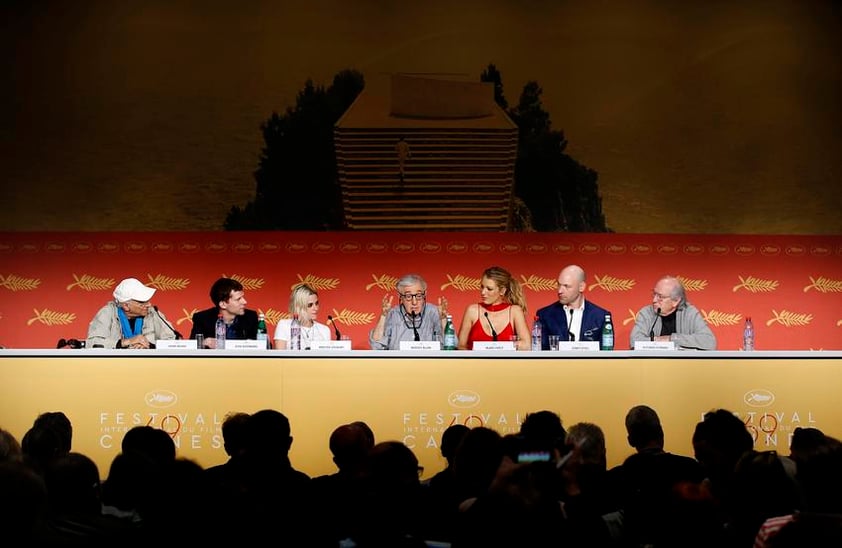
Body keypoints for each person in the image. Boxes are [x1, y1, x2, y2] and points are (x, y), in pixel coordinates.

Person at [629, 275, 717, 350]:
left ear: (676, 301)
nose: (654, 300)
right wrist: (659, 341)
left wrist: (671, 339)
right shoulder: (646, 313)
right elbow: (634, 341)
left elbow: (709, 341)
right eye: (654, 294)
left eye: (660, 297)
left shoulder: (689, 313)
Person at [86, 277, 177, 349]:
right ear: (126, 306)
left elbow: (172, 341)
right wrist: (127, 342)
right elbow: (92, 343)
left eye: (148, 301)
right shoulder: (107, 313)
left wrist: (150, 346)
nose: (149, 305)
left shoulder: (153, 313)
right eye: (142, 302)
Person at [535, 264, 611, 349]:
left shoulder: (601, 316)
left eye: (566, 286)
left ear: (581, 287)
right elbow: (541, 351)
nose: (560, 291)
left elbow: (606, 352)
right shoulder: (545, 315)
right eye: (559, 285)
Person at [457, 266, 531, 350]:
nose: (483, 292)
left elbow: (526, 345)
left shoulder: (515, 311)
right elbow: (460, 346)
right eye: (482, 287)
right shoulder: (472, 310)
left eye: (489, 289)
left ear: (502, 291)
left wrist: (498, 347)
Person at [369, 273, 449, 350]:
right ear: (400, 296)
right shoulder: (392, 314)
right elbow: (376, 346)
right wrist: (383, 316)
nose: (414, 302)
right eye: (408, 296)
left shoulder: (435, 313)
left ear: (425, 294)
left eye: (418, 296)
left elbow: (451, 346)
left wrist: (443, 319)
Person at [189, 277, 258, 348]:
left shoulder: (251, 317)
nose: (244, 302)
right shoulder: (202, 318)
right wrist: (203, 343)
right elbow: (191, 347)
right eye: (238, 299)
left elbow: (267, 346)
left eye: (242, 297)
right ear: (223, 304)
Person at [273, 283, 331, 350]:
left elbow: (326, 359)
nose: (316, 308)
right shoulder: (284, 325)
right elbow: (280, 358)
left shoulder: (324, 330)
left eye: (316, 303)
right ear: (299, 306)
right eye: (310, 305)